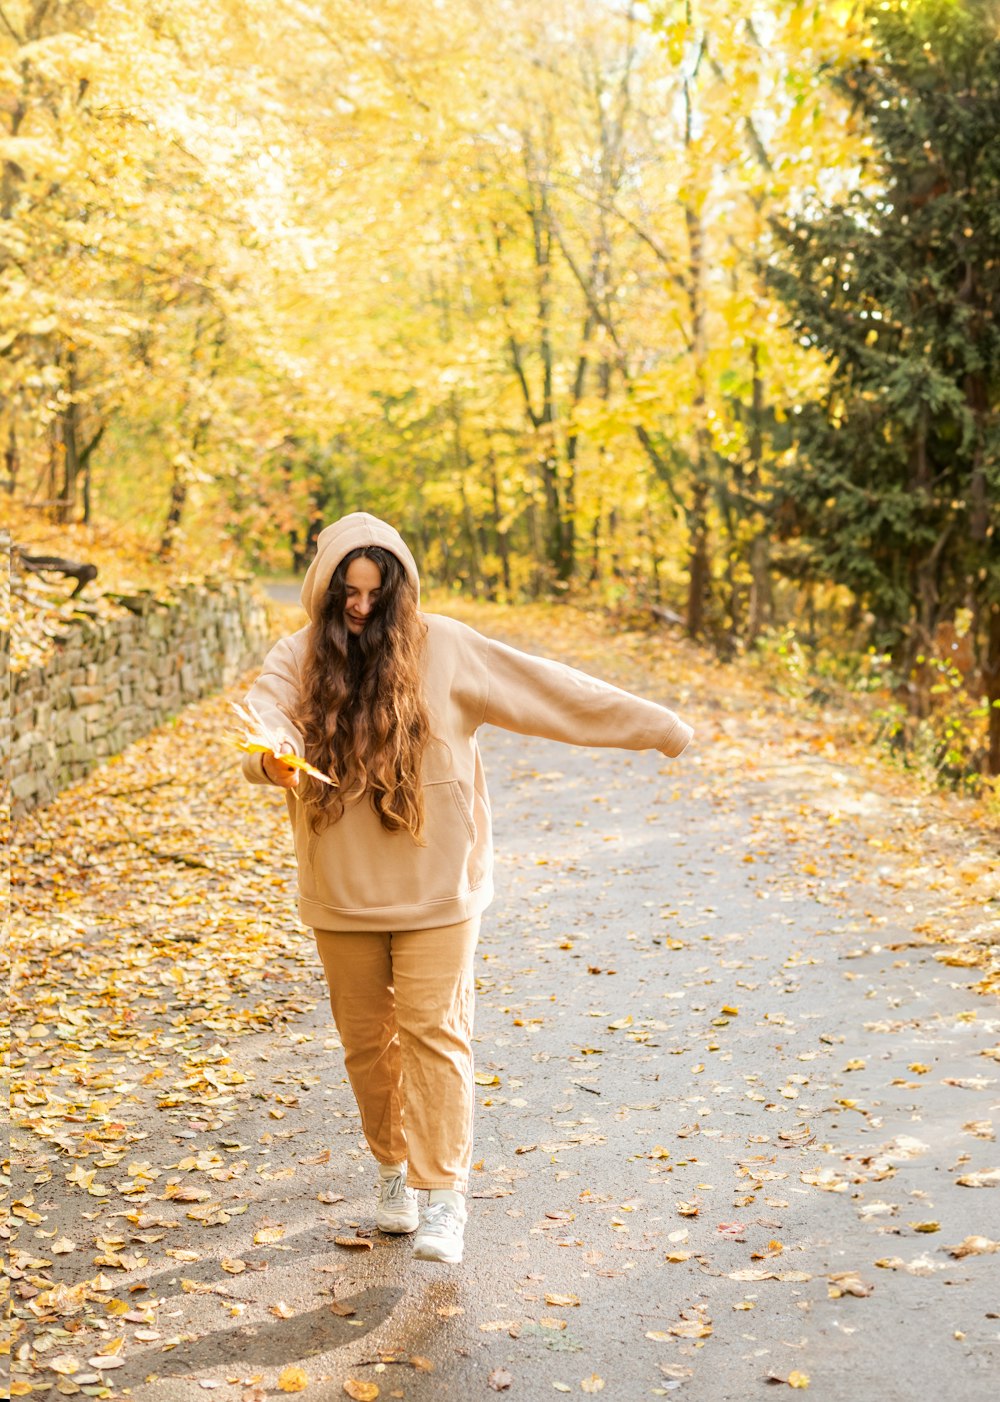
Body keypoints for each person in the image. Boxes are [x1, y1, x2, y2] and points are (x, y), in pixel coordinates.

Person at [239, 512, 693, 1264]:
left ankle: (444, 1195)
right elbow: (265, 719)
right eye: (346, 591)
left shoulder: (444, 646)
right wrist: (274, 756)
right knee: (366, 1047)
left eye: (374, 593)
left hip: (440, 887)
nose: (359, 606)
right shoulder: (299, 656)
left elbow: (552, 691)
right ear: (323, 588)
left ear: (399, 591)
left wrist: (657, 726)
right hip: (341, 891)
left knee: (434, 1034)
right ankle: (393, 1174)